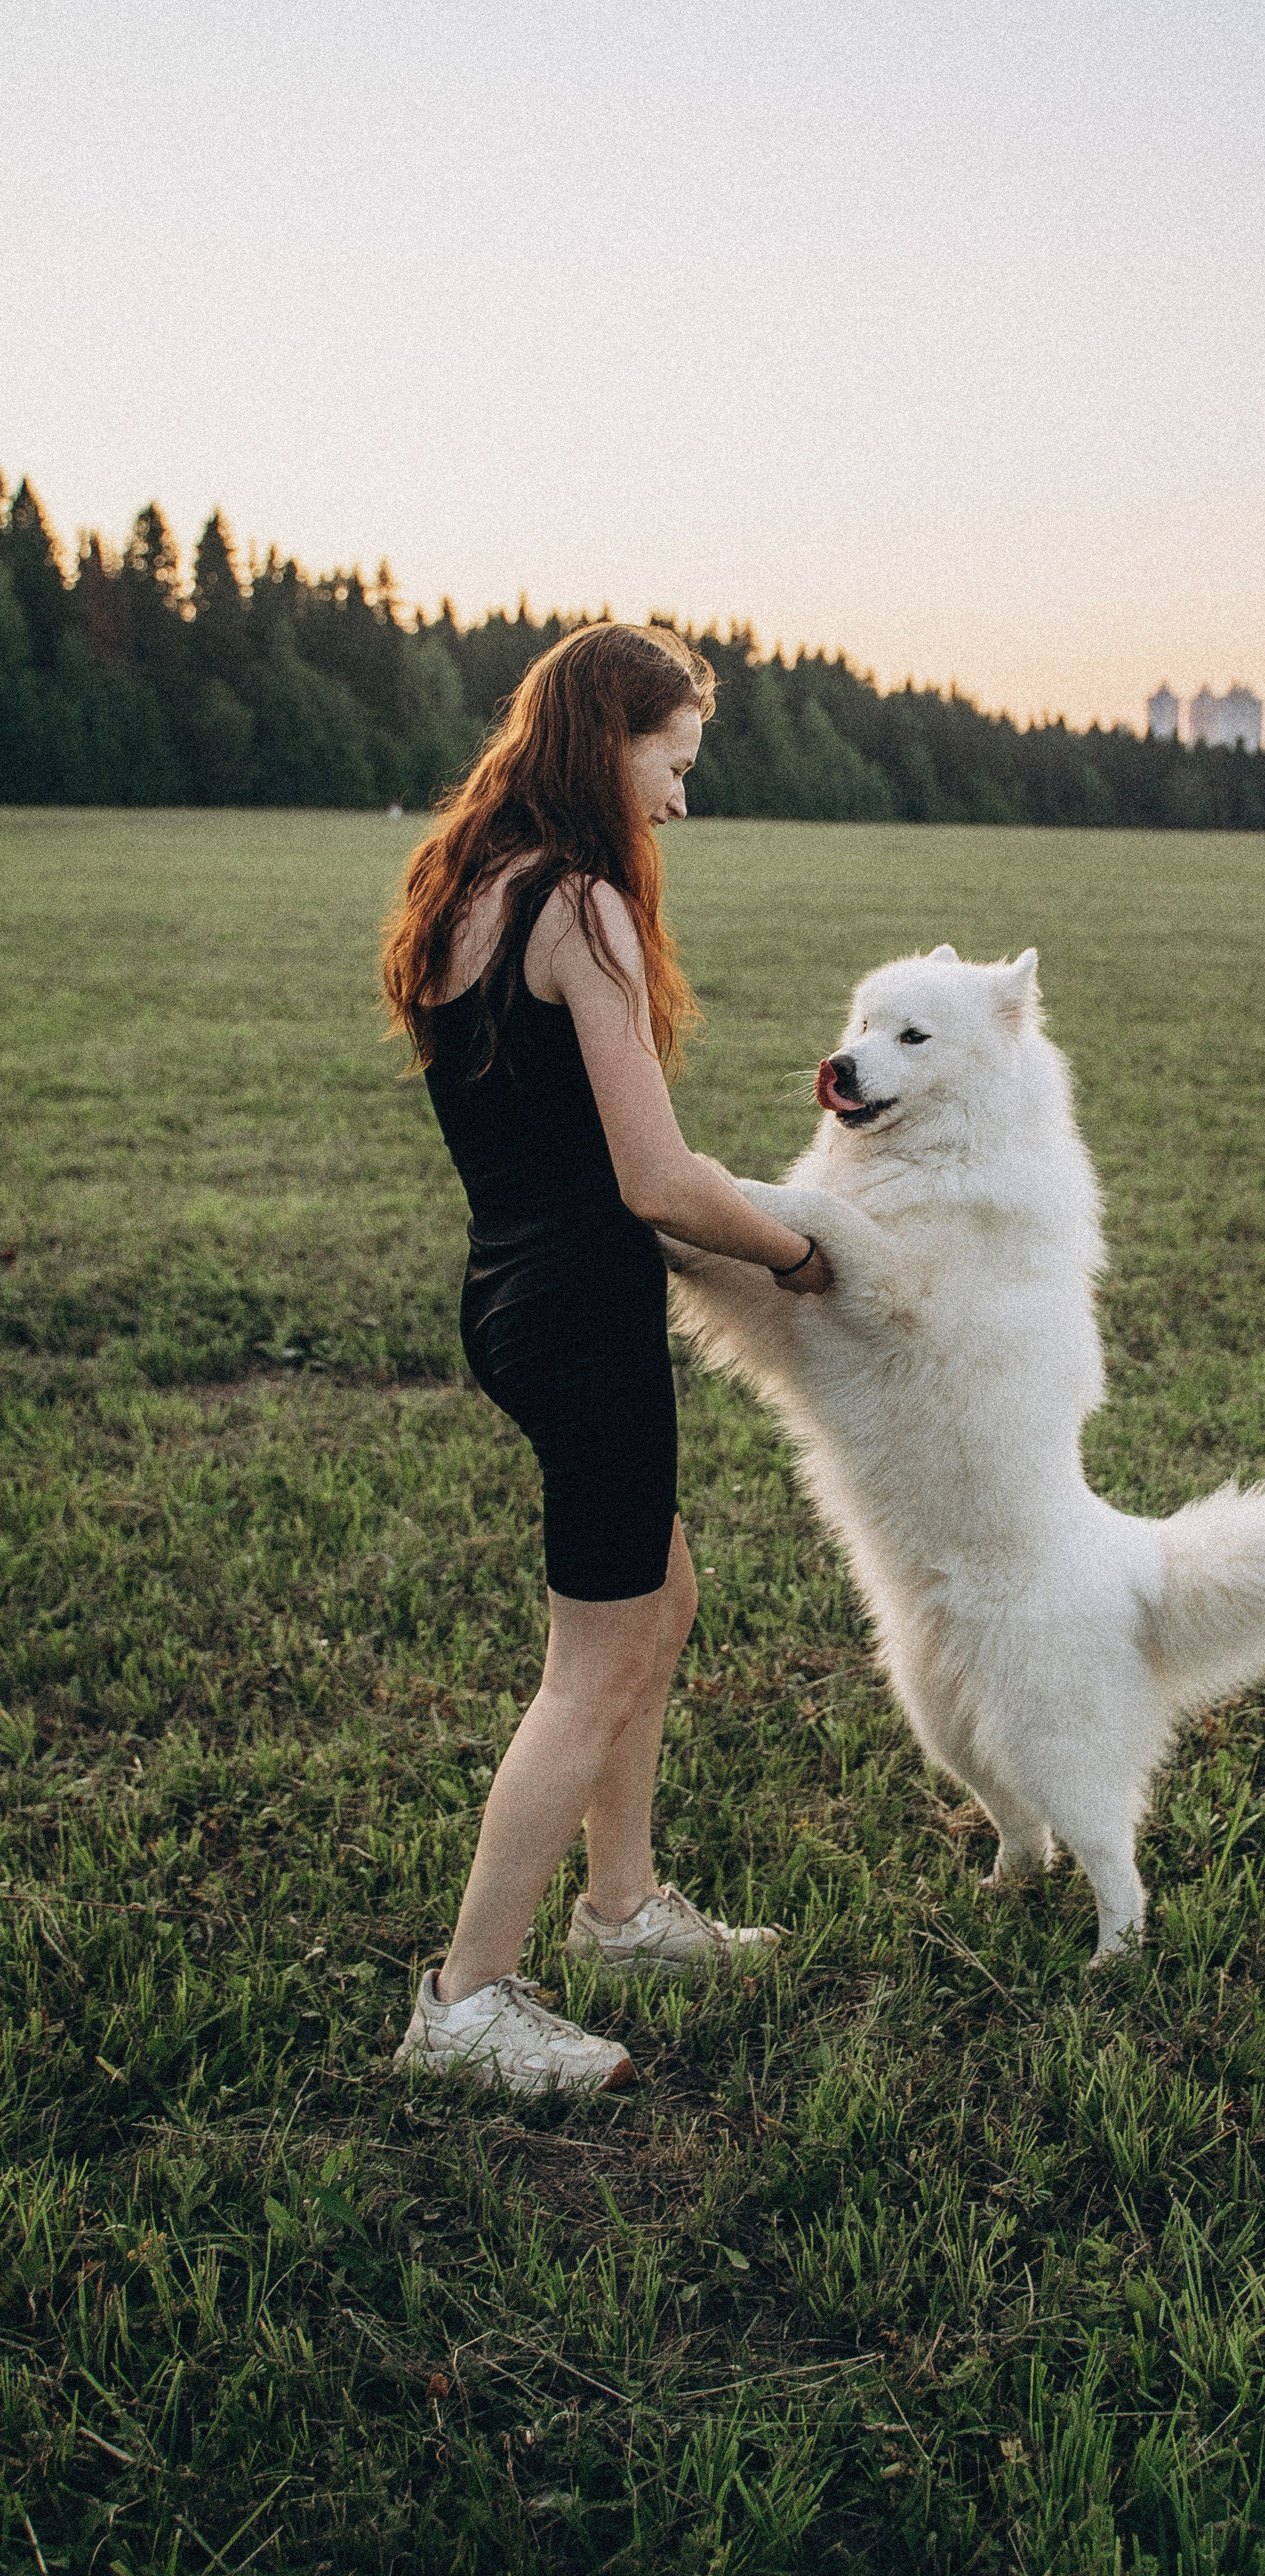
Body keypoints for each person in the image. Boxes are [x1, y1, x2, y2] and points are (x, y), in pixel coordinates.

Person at [379, 621, 830, 2095]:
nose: (680, 802)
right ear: (608, 741)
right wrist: (802, 1252)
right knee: (596, 1659)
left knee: (658, 1597)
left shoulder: (466, 888)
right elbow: (654, 1177)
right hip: (581, 1315)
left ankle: (624, 1909)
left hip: (510, 1297)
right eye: (672, 762)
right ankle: (466, 1999)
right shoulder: (579, 909)